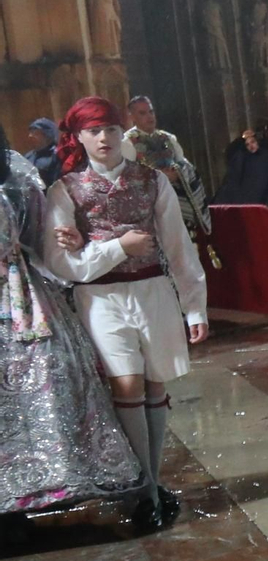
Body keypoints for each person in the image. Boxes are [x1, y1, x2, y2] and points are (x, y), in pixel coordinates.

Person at [40, 96, 208, 530]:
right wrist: (118, 247)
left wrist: (194, 307)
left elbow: (178, 248)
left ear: (122, 133)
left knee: (154, 380)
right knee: (127, 380)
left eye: (111, 129)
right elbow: (62, 265)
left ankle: (150, 481)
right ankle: (144, 488)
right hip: (100, 298)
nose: (104, 138)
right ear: (78, 137)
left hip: (152, 290)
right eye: (94, 130)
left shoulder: (152, 182)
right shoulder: (66, 190)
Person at [1, 137, 144, 531]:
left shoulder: (16, 179)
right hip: (18, 297)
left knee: (53, 375)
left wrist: (75, 240)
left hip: (21, 297)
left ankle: (51, 482)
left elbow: (40, 241)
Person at [122, 96, 212, 248]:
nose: (149, 117)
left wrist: (179, 173)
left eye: (151, 112)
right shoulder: (127, 143)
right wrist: (160, 177)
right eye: (143, 113)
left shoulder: (168, 138)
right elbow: (127, 178)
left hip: (176, 204)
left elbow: (185, 165)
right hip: (151, 210)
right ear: (132, 117)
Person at [214, 125, 268, 215]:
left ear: (257, 142)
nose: (251, 146)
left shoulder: (267, 155)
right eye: (247, 144)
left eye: (253, 142)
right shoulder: (242, 157)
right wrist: (242, 137)